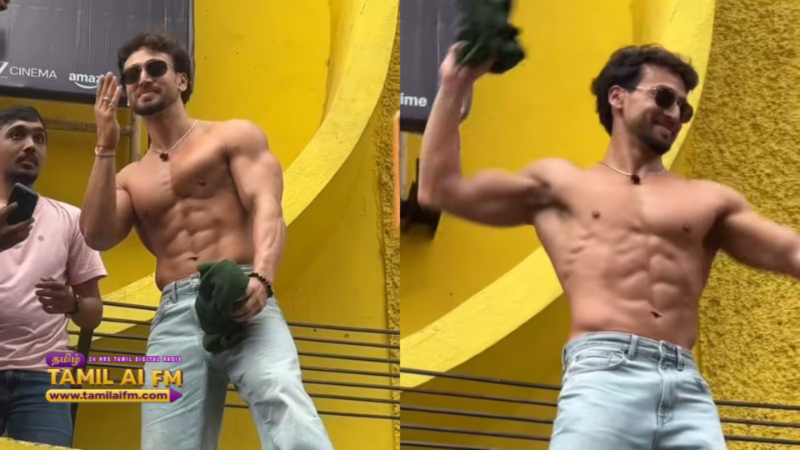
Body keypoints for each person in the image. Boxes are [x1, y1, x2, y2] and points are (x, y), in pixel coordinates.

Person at [418, 43, 800, 450]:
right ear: (618, 97)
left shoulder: (708, 200)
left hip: (686, 387)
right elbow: (441, 189)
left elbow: (790, 253)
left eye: (683, 108)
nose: (674, 114)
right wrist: (455, 84)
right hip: (604, 376)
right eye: (664, 97)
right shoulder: (562, 186)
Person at [79, 32, 333, 450]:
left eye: (155, 68)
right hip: (174, 312)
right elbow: (97, 234)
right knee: (165, 443)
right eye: (132, 75)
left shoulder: (232, 137)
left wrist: (263, 279)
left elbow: (267, 208)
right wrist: (105, 146)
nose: (143, 78)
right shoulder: (130, 178)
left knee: (280, 392)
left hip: (242, 290)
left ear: (181, 80)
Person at [0, 106, 107, 447]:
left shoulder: (71, 219)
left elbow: (93, 313)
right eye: (17, 134)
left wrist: (72, 303)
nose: (31, 145)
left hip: (44, 380)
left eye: (40, 138)